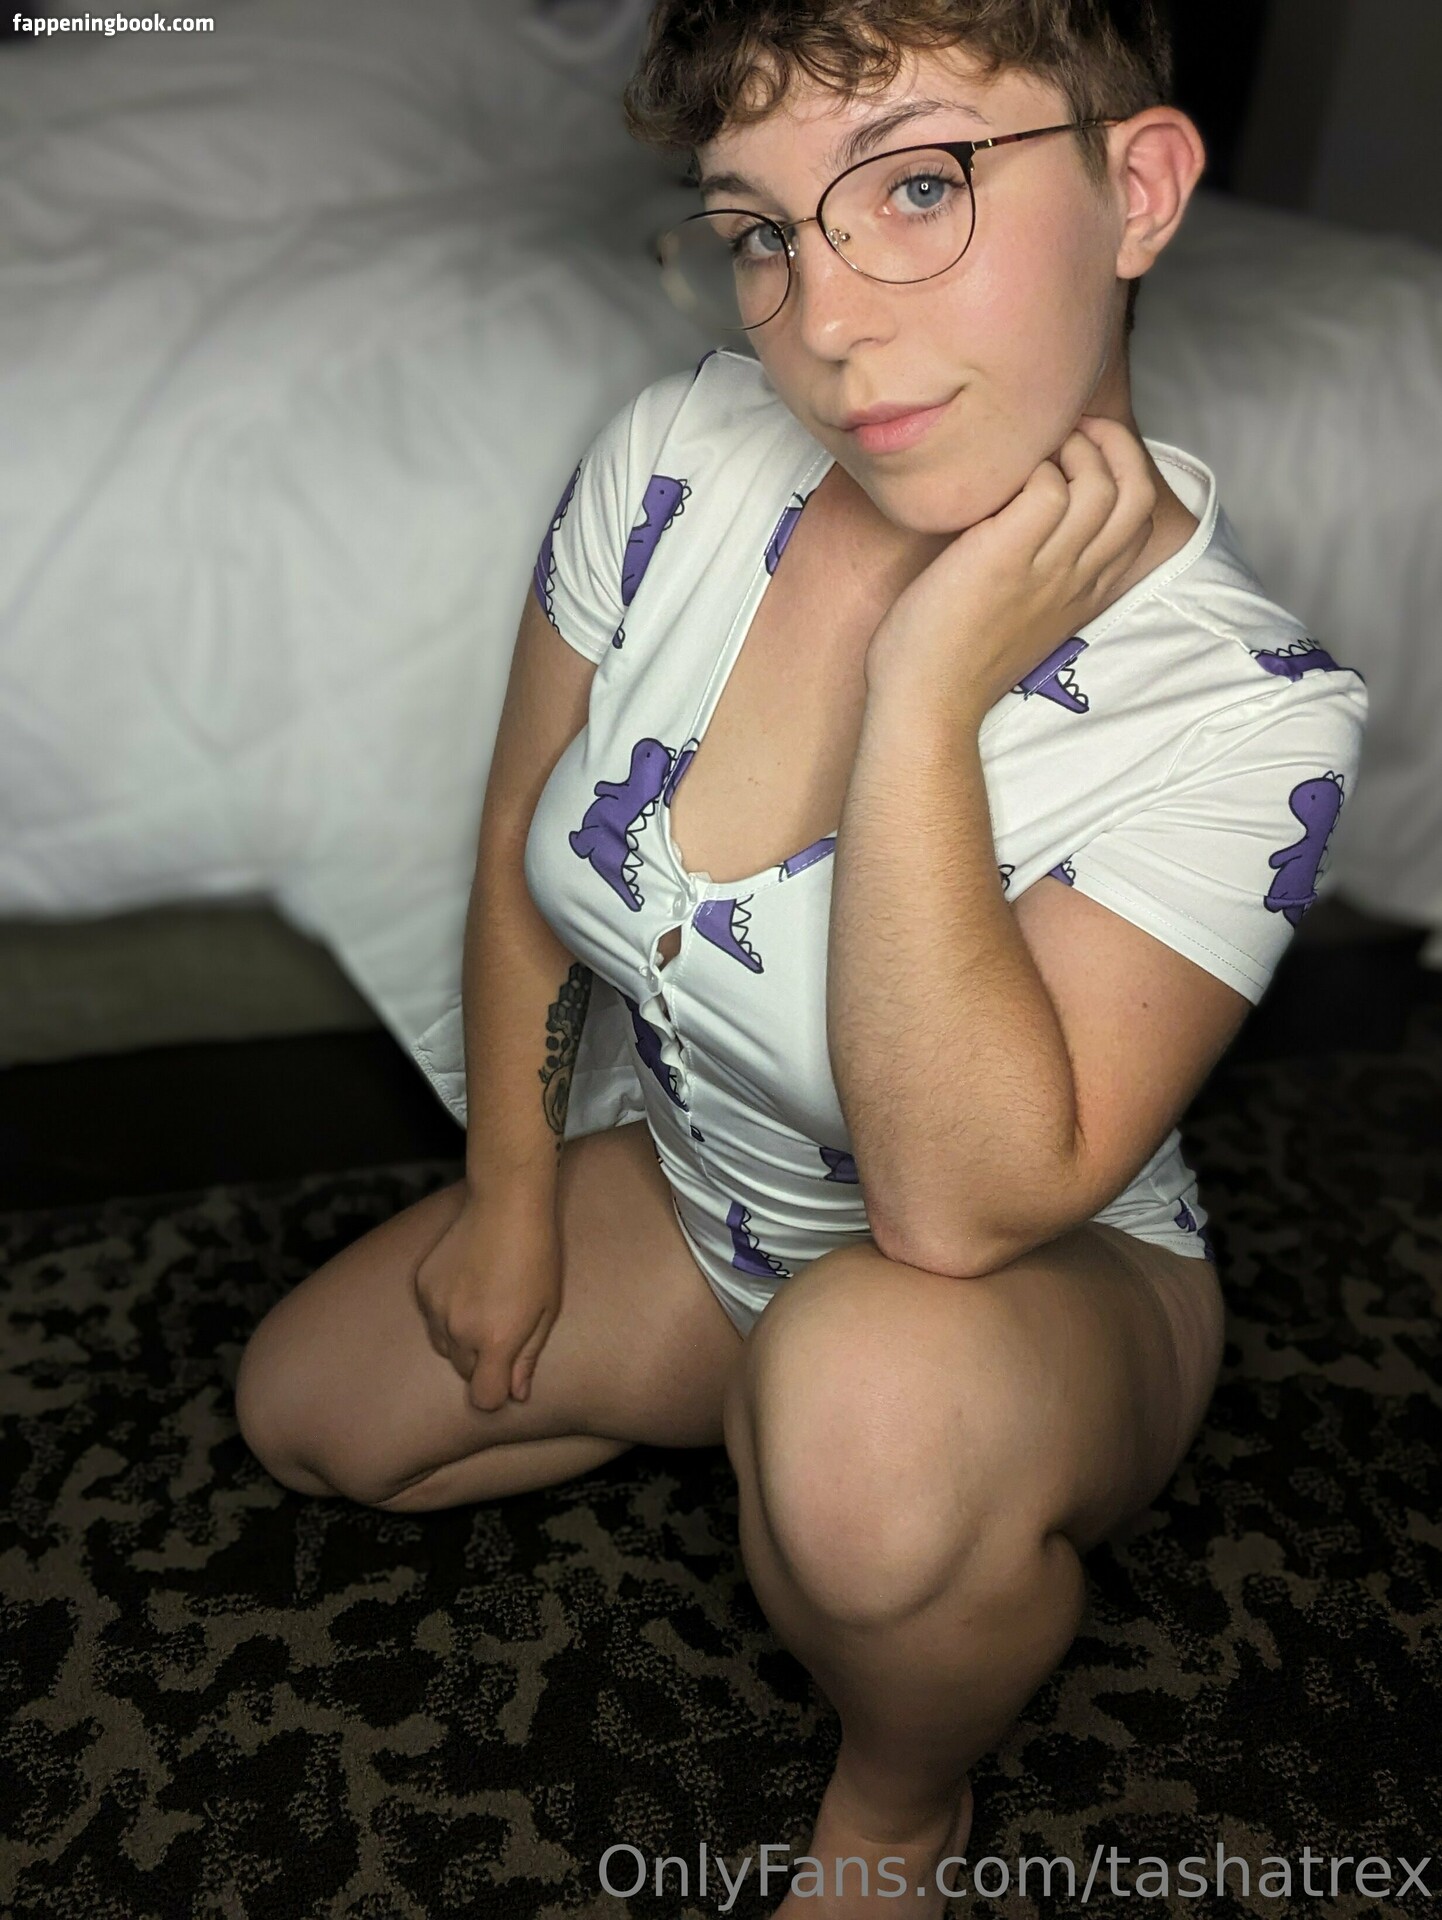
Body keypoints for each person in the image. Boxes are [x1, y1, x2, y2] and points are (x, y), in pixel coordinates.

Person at [234, 3, 1368, 1911]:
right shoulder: (676, 452)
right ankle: (816, 1479)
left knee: (867, 1419)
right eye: (760, 229)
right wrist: (511, 1193)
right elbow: (520, 853)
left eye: (916, 186)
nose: (823, 323)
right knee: (313, 1421)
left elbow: (955, 1210)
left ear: (1138, 190)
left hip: (1015, 1292)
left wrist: (921, 697)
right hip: (708, 1204)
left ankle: (898, 1797)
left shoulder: (1252, 713)